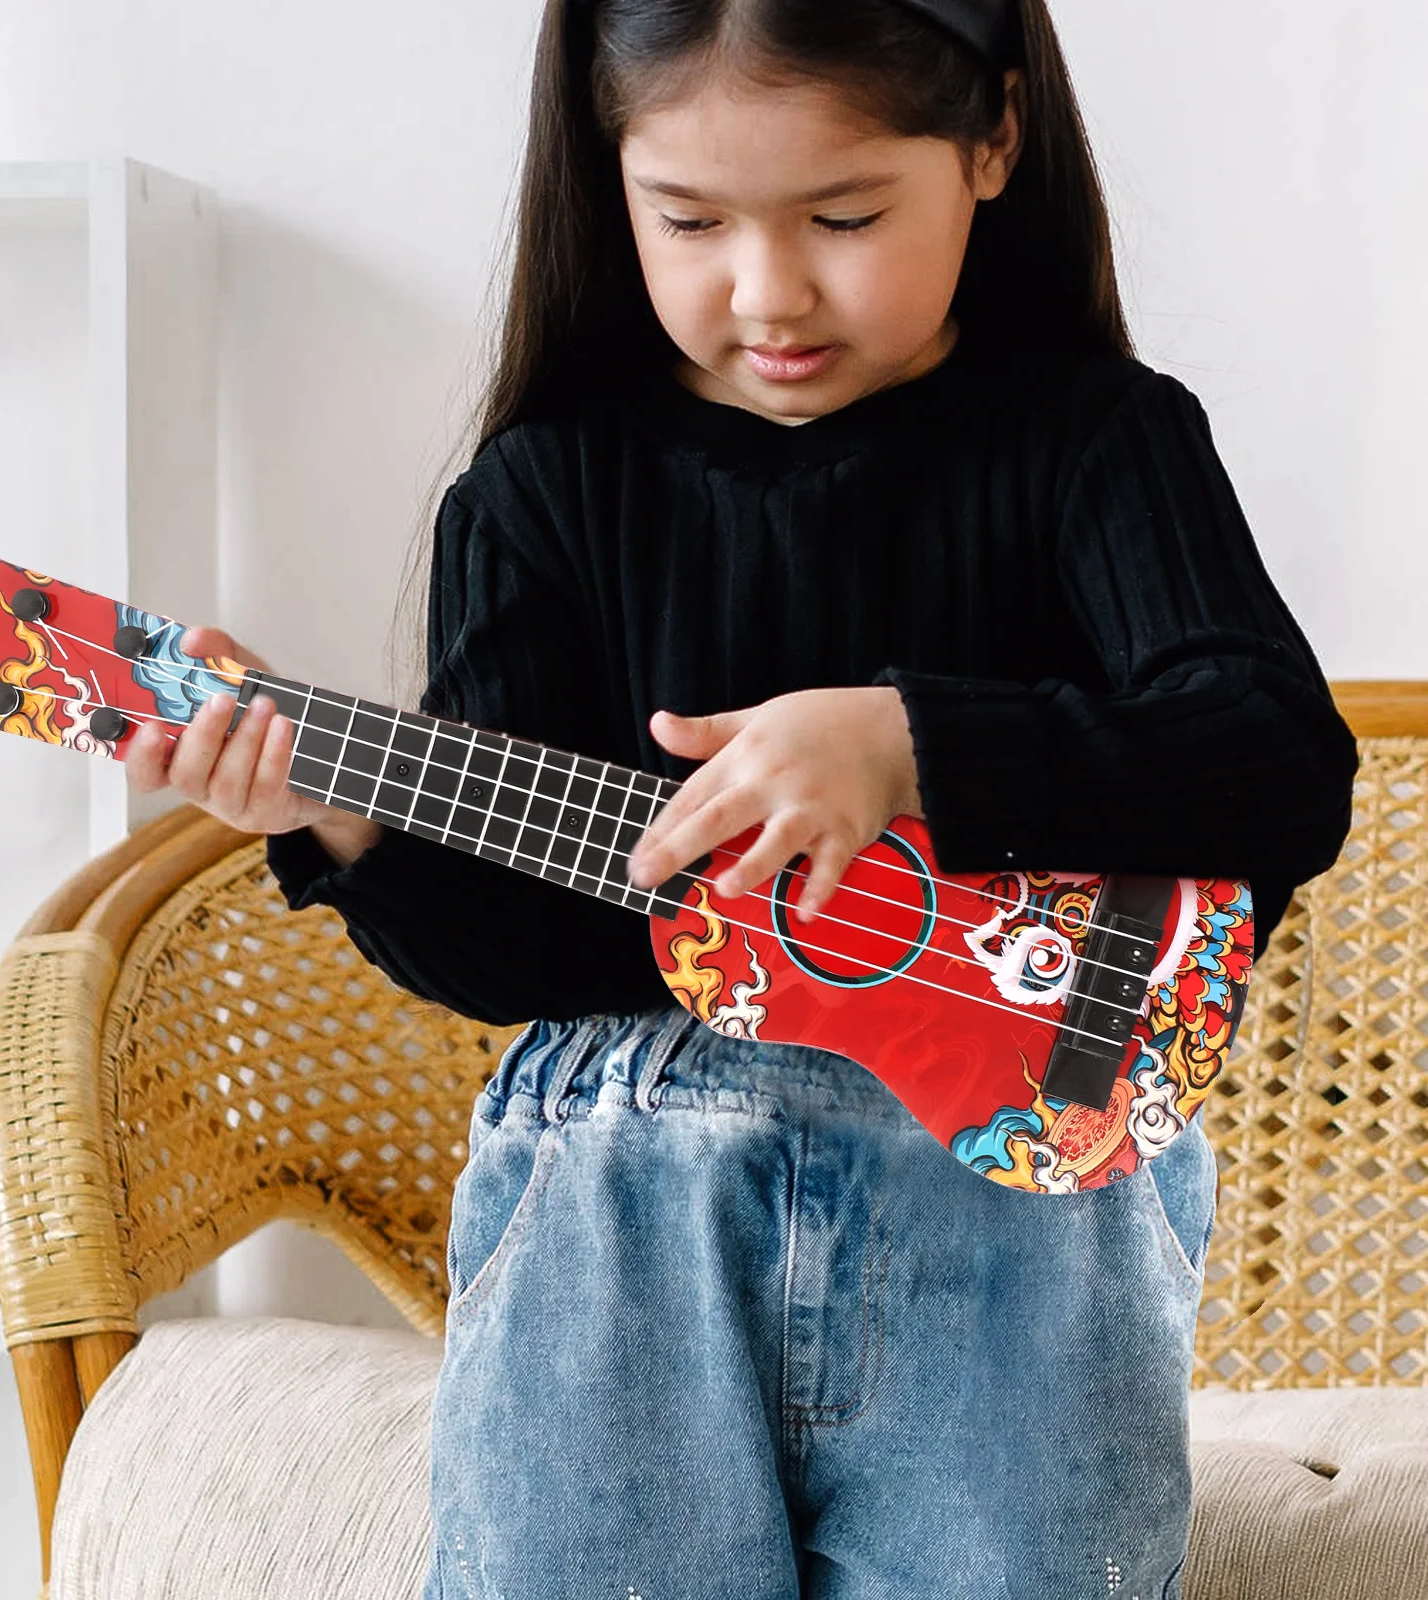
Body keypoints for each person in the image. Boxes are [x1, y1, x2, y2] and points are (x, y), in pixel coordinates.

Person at [126, 0, 1359, 1593]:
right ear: (607, 177)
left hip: (1017, 1209)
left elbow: (1274, 765)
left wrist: (914, 745)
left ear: (993, 139)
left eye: (844, 216)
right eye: (689, 220)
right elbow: (525, 959)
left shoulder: (1102, 445)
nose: (767, 291)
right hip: (626, 1219)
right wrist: (344, 823)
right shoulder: (540, 490)